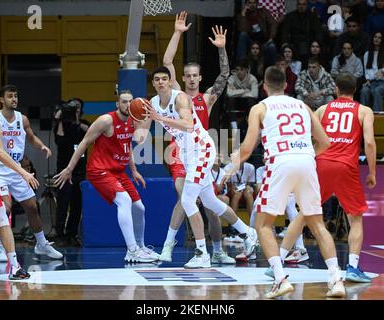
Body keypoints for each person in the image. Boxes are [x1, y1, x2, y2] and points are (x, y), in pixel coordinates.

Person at [223, 66, 345, 298]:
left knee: (262, 224)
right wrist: (306, 154)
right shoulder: (303, 106)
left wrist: (231, 167)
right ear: (286, 85)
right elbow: (326, 142)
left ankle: (280, 279)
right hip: (307, 161)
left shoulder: (260, 107)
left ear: (264, 86)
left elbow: (248, 148)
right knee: (317, 224)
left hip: (280, 162)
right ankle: (336, 279)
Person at [145, 66, 258, 269]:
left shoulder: (180, 98)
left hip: (202, 150)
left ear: (170, 81)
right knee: (210, 201)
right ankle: (248, 232)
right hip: (188, 154)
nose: (161, 82)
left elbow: (188, 124)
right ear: (153, 83)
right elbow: (143, 130)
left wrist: (160, 119)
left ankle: (201, 253)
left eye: (164, 78)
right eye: (157, 79)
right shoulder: (153, 103)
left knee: (188, 200)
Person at [277, 73, 377, 283]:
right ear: (355, 90)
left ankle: (277, 262)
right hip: (346, 167)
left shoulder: (323, 109)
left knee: (305, 214)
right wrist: (372, 172)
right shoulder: (364, 111)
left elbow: (307, 136)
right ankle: (352, 266)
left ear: (336, 90)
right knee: (355, 218)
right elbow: (369, 143)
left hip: (321, 164)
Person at [158, 12, 236, 264]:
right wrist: (178, 32)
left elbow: (224, 76)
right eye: (187, 75)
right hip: (180, 152)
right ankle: (169, 246)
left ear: (200, 78)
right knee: (185, 198)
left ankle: (217, 250)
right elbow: (167, 59)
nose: (191, 78)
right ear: (181, 78)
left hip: (202, 153)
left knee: (211, 206)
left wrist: (222, 49)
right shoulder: (178, 95)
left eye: (195, 75)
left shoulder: (207, 98)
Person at [54, 90, 159, 263]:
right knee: (124, 201)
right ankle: (132, 251)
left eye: (130, 101)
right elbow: (84, 142)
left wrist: (133, 170)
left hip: (119, 172)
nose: (128, 105)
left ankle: (141, 248)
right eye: (124, 102)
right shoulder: (106, 120)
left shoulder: (133, 121)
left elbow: (126, 147)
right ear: (117, 104)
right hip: (99, 170)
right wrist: (69, 168)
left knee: (139, 208)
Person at [0, 85, 63, 262]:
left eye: (16, 96)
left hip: (17, 170)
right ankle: (0, 247)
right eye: (10, 96)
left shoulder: (22, 119)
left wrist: (42, 146)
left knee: (32, 207)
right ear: (1, 99)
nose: (14, 99)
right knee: (4, 208)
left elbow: (31, 137)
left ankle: (41, 244)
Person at [0, 94, 39, 279]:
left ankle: (15, 266)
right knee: (3, 220)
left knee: (3, 217)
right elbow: (0, 152)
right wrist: (24, 172)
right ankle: (14, 267)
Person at [54, 97, 89, 246]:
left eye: (78, 107)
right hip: (63, 171)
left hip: (80, 172)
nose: (76, 110)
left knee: (77, 205)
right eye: (73, 107)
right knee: (62, 204)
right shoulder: (63, 125)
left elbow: (90, 134)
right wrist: (60, 119)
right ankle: (60, 235)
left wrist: (77, 122)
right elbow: (59, 141)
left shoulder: (84, 124)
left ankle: (72, 234)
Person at [360, 32, 384, 112]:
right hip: (372, 81)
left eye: (379, 38)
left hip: (382, 82)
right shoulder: (367, 54)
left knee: (377, 91)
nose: (377, 39)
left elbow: (380, 72)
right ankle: (363, 115)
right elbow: (367, 71)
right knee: (364, 91)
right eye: (375, 37)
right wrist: (368, 80)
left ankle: (376, 116)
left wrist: (382, 70)